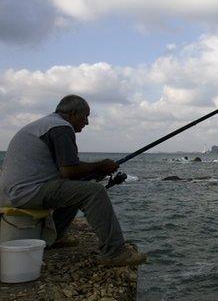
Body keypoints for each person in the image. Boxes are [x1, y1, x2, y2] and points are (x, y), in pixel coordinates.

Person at [0, 95, 146, 266]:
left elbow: (65, 173)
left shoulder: (47, 124)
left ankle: (54, 237)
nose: (87, 122)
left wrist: (96, 171)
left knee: (80, 189)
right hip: (24, 193)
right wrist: (101, 165)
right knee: (94, 192)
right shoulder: (61, 128)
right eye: (86, 116)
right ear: (73, 114)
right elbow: (69, 170)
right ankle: (114, 252)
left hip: (14, 191)